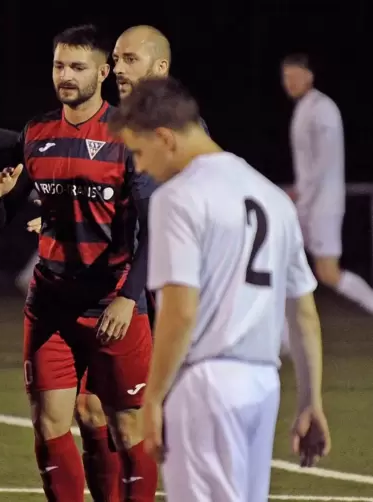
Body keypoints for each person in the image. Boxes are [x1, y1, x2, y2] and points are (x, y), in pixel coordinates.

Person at [110, 76, 331, 502]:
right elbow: (303, 313)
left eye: (138, 152)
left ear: (164, 137)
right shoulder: (272, 197)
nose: (139, 167)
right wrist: (310, 402)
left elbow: (180, 310)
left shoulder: (178, 197)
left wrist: (153, 399)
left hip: (205, 386)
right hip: (263, 386)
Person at [0, 24, 158, 502]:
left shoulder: (129, 135)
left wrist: (127, 297)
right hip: (50, 302)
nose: (65, 75)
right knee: (49, 423)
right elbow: (0, 221)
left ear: (102, 73)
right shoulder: (36, 133)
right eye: (59, 65)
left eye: (77, 67)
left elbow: (156, 230)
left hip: (109, 304)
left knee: (125, 425)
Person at [282, 54, 373, 316]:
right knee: (283, 261)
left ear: (309, 76)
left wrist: (303, 199)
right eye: (286, 77)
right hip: (310, 202)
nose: (289, 82)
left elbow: (324, 163)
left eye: (294, 76)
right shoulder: (304, 108)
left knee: (328, 272)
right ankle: (283, 334)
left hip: (323, 205)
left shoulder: (323, 108)